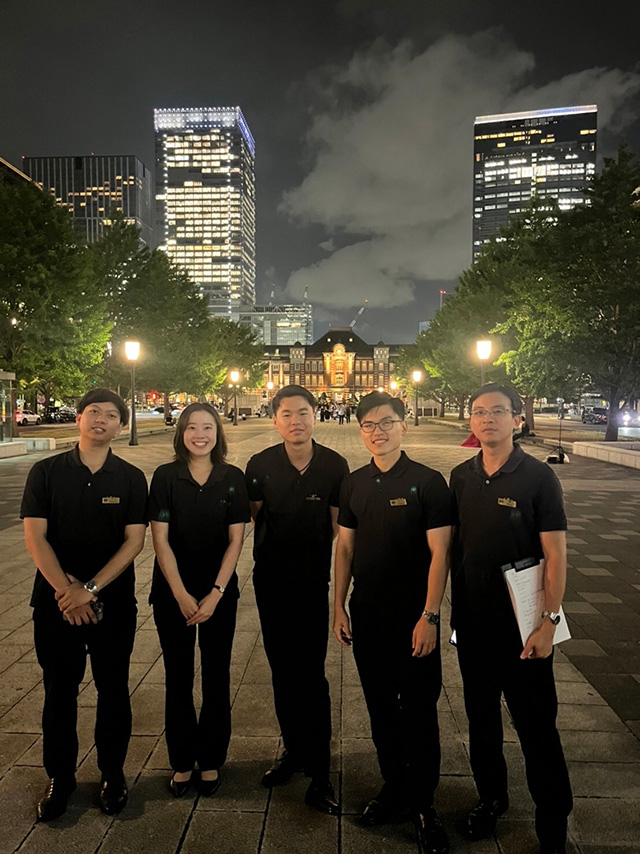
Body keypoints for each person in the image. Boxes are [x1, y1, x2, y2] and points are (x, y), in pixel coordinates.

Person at [449, 383, 572, 854]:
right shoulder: (461, 476)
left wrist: (549, 621)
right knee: (481, 725)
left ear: (517, 420)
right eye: (478, 412)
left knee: (538, 726)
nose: (487, 420)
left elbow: (555, 555)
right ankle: (491, 799)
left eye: (498, 412)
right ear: (471, 421)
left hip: (524, 630)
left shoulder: (539, 478)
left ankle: (552, 822)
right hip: (474, 627)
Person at [333, 391, 453, 854]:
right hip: (367, 614)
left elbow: (440, 553)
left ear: (404, 425)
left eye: (386, 423)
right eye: (368, 425)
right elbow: (345, 548)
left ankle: (423, 804)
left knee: (419, 711)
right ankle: (394, 787)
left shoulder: (428, 481)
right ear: (359, 429)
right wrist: (338, 605)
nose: (377, 432)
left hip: (413, 617)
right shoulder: (355, 483)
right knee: (381, 709)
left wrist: (430, 616)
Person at [21, 388, 148, 821]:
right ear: (79, 418)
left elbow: (135, 541)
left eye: (111, 416)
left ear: (120, 425)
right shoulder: (45, 471)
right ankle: (60, 777)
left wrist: (89, 589)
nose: (101, 421)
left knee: (114, 690)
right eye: (93, 412)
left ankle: (113, 774)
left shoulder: (131, 477)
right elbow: (35, 537)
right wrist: (68, 592)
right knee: (59, 691)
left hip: (112, 604)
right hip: (56, 605)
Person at [245, 384, 349, 814]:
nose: (296, 421)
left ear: (315, 415)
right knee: (281, 671)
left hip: (311, 584)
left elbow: (341, 533)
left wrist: (340, 596)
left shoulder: (333, 465)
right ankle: (293, 750)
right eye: (287, 414)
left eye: (303, 412)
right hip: (270, 581)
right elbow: (250, 519)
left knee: (312, 675)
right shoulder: (260, 464)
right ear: (276, 420)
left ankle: (320, 771)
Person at [149, 403, 250, 798]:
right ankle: (180, 760)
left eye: (207, 427)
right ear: (182, 433)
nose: (200, 434)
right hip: (172, 593)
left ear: (218, 433)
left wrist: (215, 594)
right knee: (177, 677)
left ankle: (210, 758)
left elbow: (236, 540)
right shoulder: (166, 476)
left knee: (216, 676)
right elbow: (159, 538)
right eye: (192, 427)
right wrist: (179, 593)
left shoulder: (232, 477)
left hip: (218, 594)